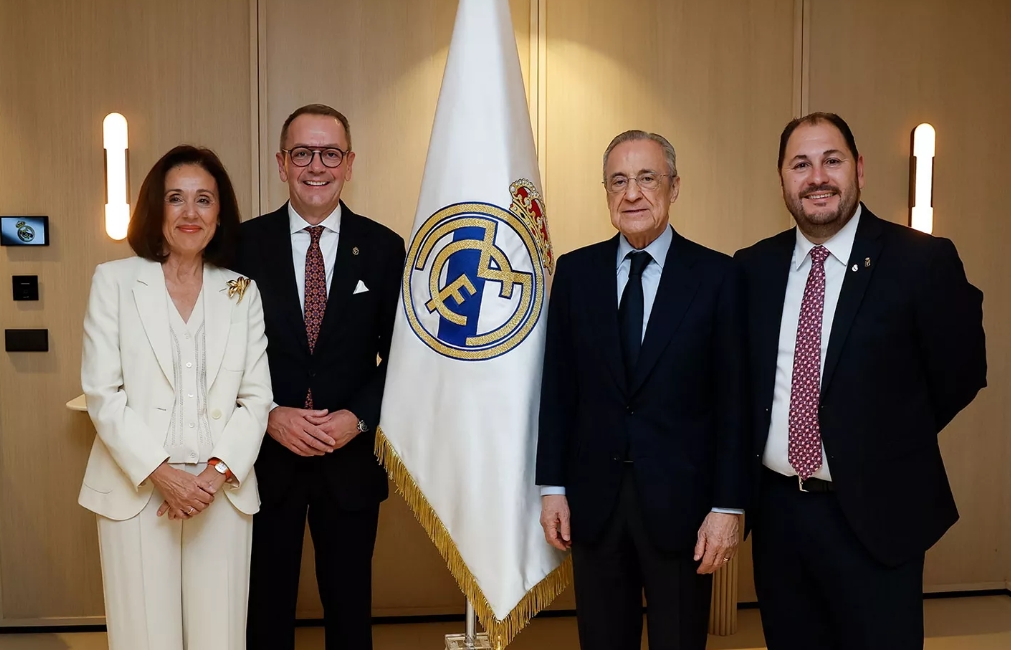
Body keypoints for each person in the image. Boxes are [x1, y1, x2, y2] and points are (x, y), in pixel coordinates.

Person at [735, 112, 987, 650]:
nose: (817, 177)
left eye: (832, 160)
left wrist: (880, 439)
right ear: (781, 178)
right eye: (800, 164)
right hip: (779, 519)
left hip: (877, 517)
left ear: (860, 169)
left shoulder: (921, 262)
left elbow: (961, 374)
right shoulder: (753, 268)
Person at [536, 130, 748, 650]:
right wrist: (552, 488)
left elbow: (735, 403)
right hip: (594, 502)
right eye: (618, 181)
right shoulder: (576, 273)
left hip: (684, 507)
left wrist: (729, 506)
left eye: (646, 178)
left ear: (674, 187)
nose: (631, 193)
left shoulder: (718, 276)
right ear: (606, 192)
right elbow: (558, 388)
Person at [79, 145, 272, 650]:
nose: (190, 213)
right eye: (176, 199)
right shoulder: (114, 282)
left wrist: (210, 477)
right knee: (145, 639)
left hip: (220, 493)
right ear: (156, 208)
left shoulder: (241, 291)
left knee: (220, 638)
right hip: (138, 493)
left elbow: (256, 399)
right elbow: (103, 393)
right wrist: (164, 475)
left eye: (204, 200)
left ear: (219, 214)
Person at [237, 104, 405, 650]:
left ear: (349, 163)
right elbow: (223, 356)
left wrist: (356, 419)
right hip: (263, 460)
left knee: (350, 614)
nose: (317, 166)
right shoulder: (241, 246)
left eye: (330, 153)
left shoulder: (383, 248)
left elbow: (401, 358)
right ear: (281, 163)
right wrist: (266, 415)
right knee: (263, 611)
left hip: (349, 462)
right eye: (303, 153)